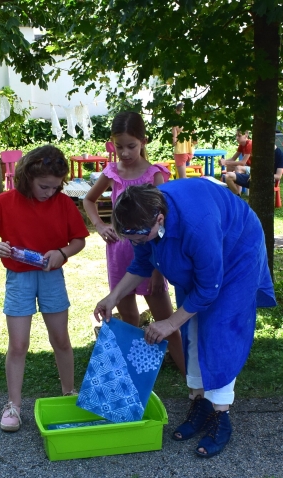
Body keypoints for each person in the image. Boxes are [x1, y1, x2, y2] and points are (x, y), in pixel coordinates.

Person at [94, 180, 276, 458]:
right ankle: (200, 401)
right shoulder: (142, 224)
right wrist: (113, 297)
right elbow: (142, 264)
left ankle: (220, 415)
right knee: (191, 326)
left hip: (237, 249)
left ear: (160, 219)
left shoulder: (197, 225)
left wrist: (169, 323)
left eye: (140, 237)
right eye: (130, 238)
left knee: (219, 331)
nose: (136, 242)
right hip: (202, 257)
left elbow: (209, 288)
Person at [0, 145, 88, 432]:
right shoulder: (3, 202)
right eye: (44, 186)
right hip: (19, 278)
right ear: (28, 177)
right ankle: (13, 404)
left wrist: (62, 253)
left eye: (56, 187)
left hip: (51, 278)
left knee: (61, 339)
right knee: (19, 344)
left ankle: (68, 393)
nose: (50, 192)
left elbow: (79, 240)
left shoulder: (63, 203)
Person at [84, 111, 186, 375]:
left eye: (131, 146)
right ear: (112, 143)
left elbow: (164, 221)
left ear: (143, 141)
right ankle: (130, 373)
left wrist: (156, 270)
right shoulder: (111, 171)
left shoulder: (155, 174)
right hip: (119, 252)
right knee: (128, 317)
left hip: (152, 253)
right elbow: (88, 200)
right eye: (119, 147)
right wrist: (100, 225)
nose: (125, 153)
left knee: (166, 319)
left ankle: (188, 373)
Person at [171, 102, 194, 180]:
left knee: (182, 177)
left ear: (177, 111)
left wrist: (173, 143)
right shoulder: (190, 122)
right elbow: (195, 138)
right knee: (184, 176)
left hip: (180, 151)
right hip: (189, 150)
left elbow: (174, 139)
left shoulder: (176, 123)